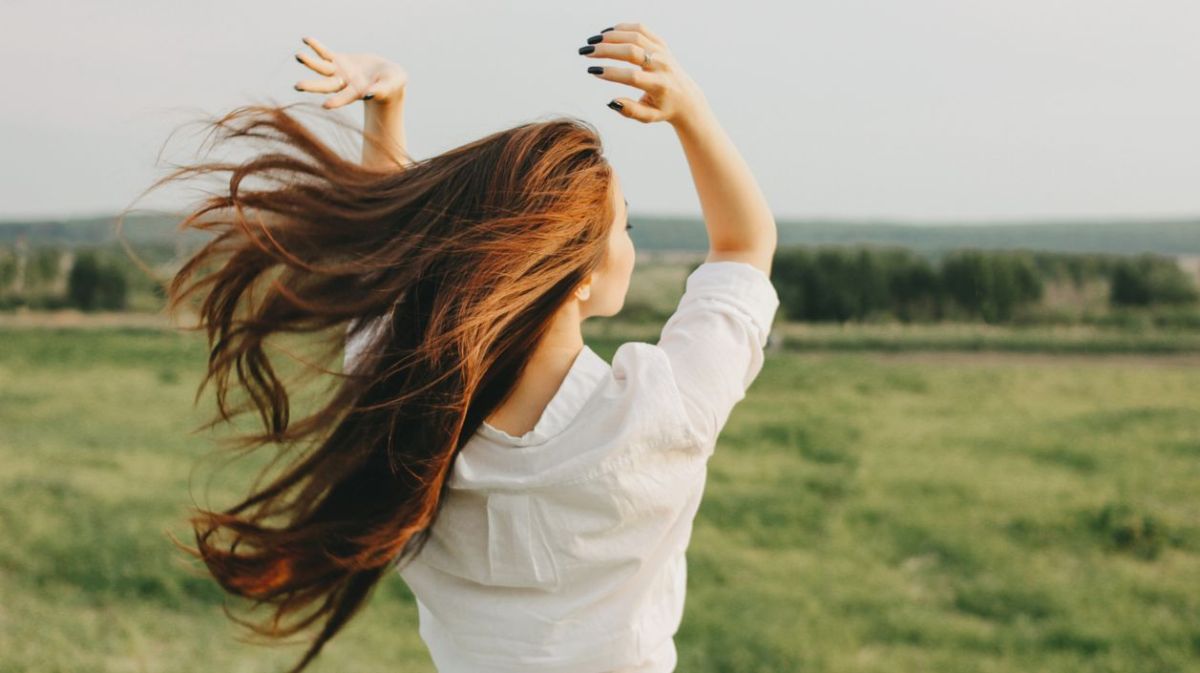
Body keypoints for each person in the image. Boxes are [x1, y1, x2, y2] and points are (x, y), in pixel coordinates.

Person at [164, 21, 778, 673]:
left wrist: (386, 110)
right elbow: (744, 246)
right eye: (621, 226)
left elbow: (391, 271)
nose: (630, 240)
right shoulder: (661, 412)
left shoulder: (405, 412)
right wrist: (691, 110)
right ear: (579, 275)